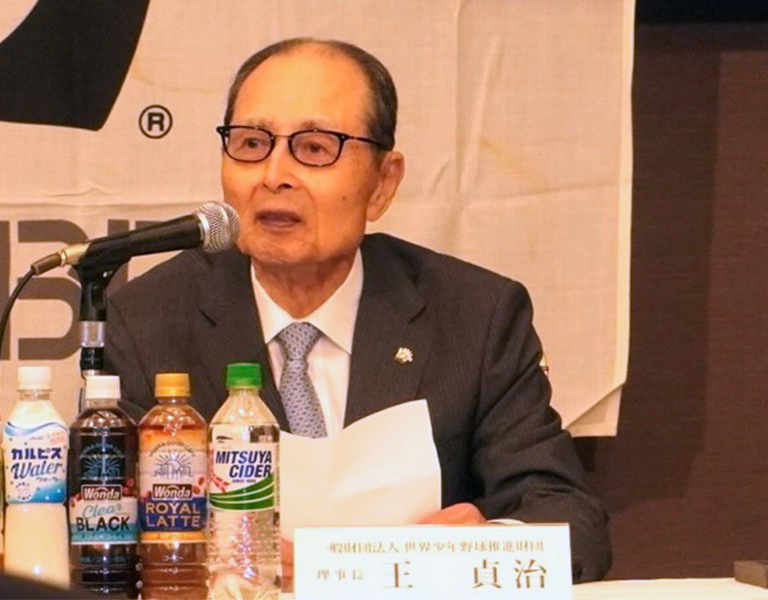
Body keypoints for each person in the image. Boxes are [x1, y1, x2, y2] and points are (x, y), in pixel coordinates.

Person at [104, 37, 611, 583]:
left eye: (314, 148)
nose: (274, 174)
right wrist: (220, 554)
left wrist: (473, 548)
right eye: (251, 143)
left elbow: (567, 517)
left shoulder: (475, 315)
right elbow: (104, 524)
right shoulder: (149, 319)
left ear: (382, 183)